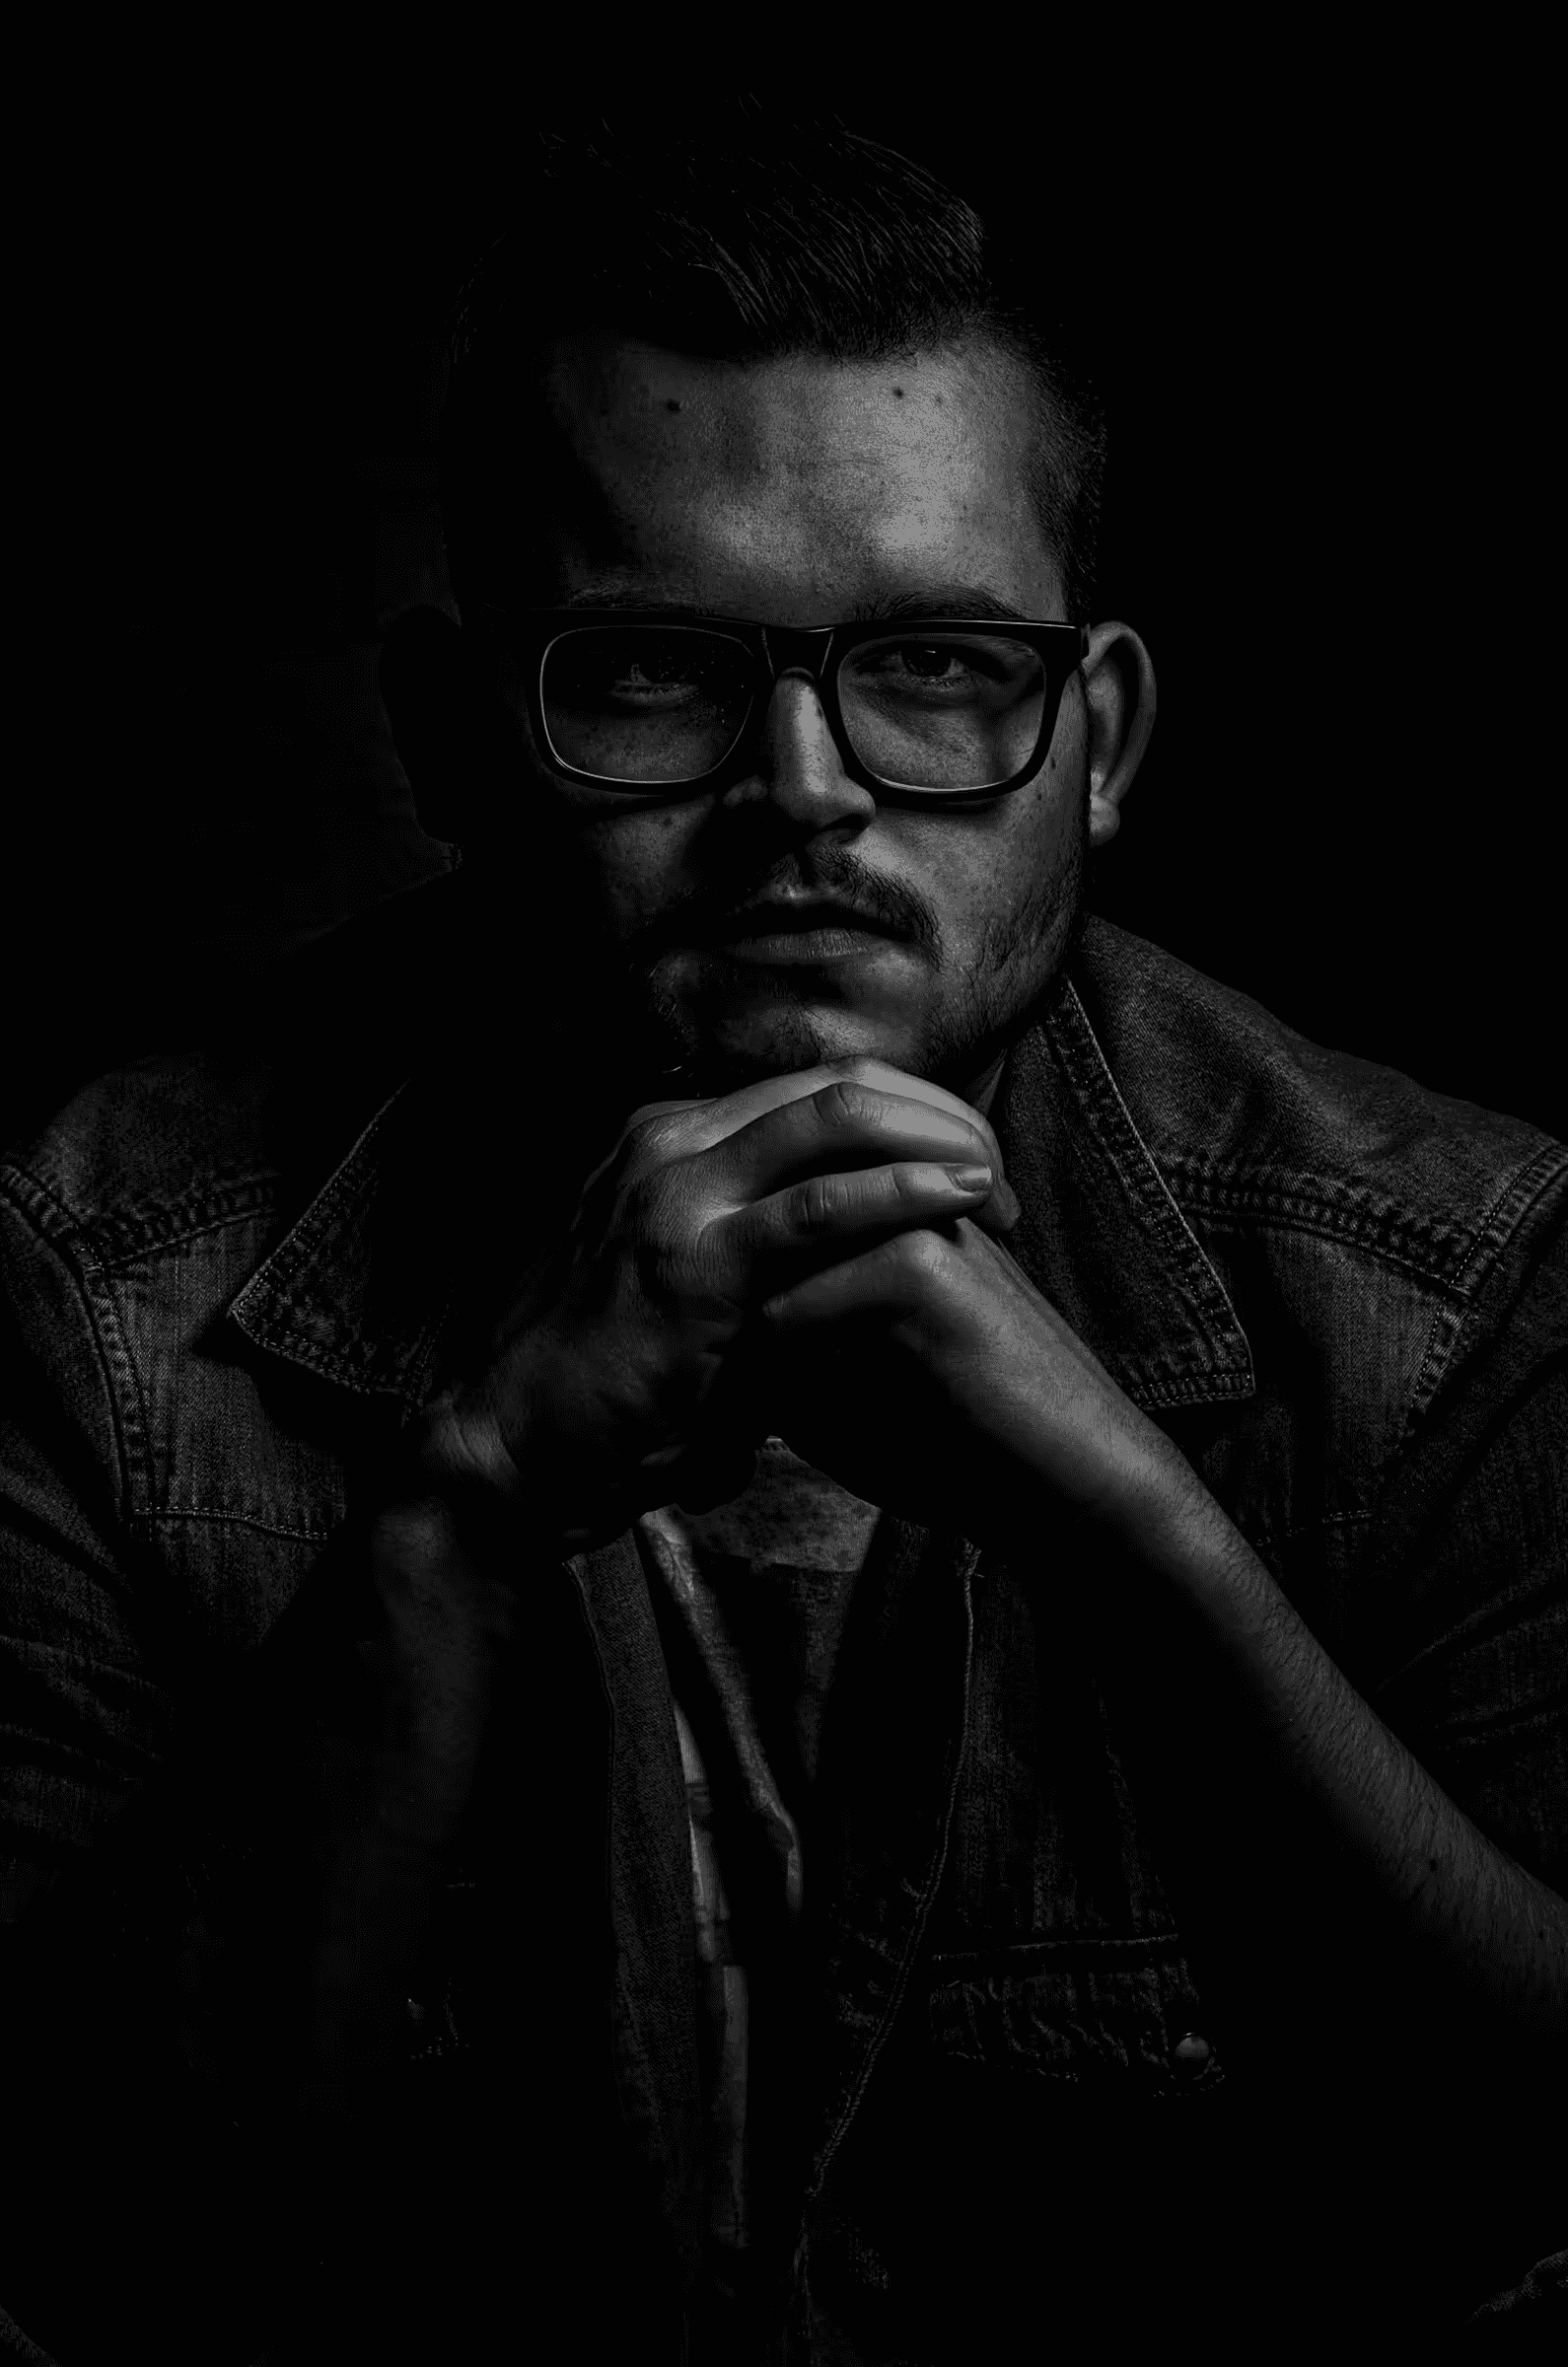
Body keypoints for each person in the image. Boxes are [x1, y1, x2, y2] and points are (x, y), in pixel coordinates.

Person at [2, 118, 1564, 2365]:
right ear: (454, 740)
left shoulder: (1450, 1276)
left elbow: (1524, 2182)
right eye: (653, 670)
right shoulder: (90, 1290)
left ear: (1096, 739)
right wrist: (455, 1522)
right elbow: (74, 2246)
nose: (807, 794)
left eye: (933, 661)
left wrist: (1138, 1531)